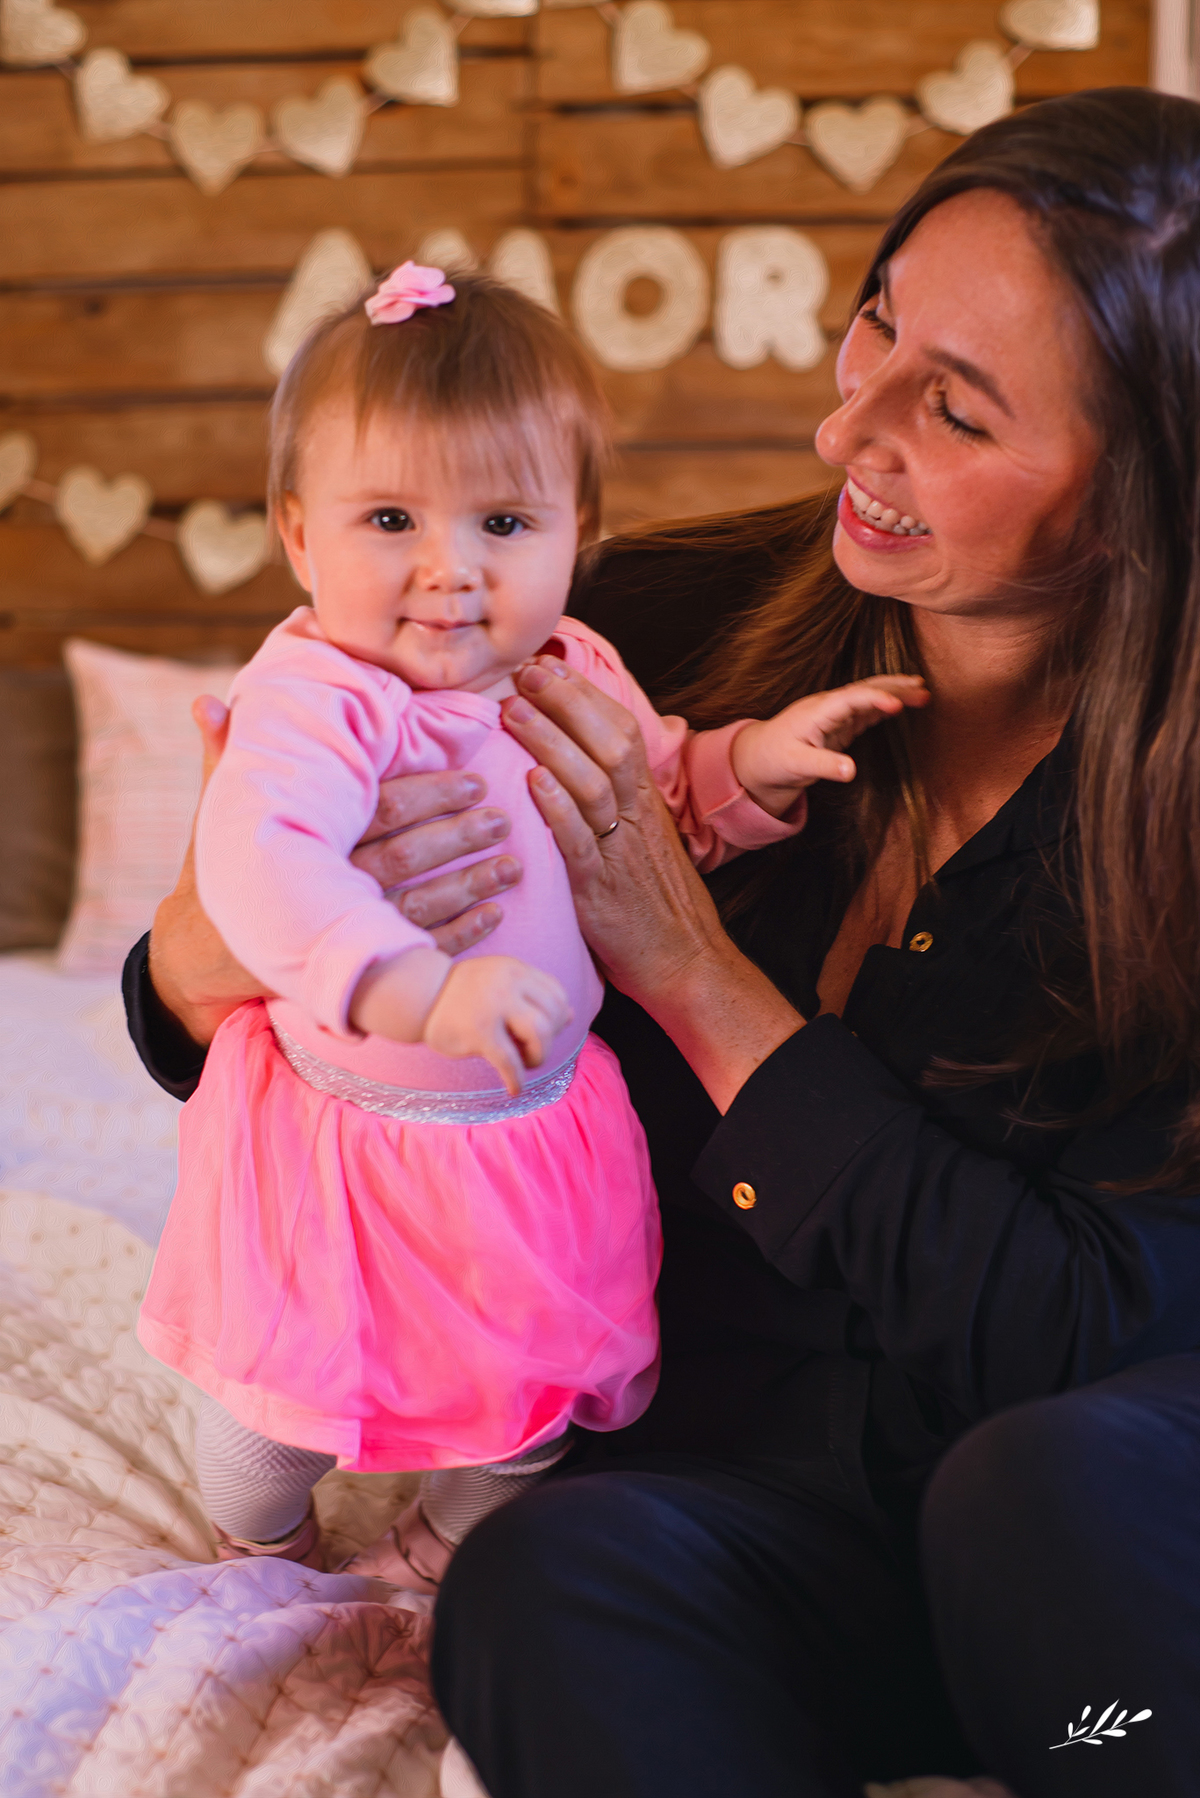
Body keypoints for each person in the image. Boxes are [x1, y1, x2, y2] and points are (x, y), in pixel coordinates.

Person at [124, 87, 1200, 1798]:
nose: (853, 432)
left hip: (1064, 1502)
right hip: (748, 1499)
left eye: (958, 409)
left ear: (1143, 497)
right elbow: (191, 997)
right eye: (878, 324)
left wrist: (694, 972)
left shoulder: (1169, 836)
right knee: (547, 1582)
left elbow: (1084, 1333)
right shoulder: (603, 629)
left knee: (1048, 1498)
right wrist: (253, 928)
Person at [136, 260, 924, 1587]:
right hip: (348, 1134)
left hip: (536, 1127)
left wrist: (754, 767)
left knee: (538, 1406)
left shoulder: (578, 667)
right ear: (297, 536)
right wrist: (410, 988)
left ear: (578, 533)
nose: (449, 571)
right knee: (270, 1415)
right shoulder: (322, 696)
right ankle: (263, 1538)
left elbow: (654, 795)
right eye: (390, 517)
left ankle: (438, 1543)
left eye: (504, 523)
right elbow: (263, 865)